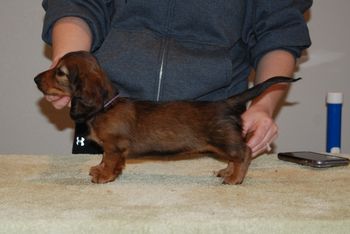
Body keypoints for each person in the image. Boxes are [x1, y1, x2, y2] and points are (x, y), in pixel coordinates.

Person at [40, 0, 312, 156]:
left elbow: (278, 29)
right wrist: (65, 69)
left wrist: (263, 105)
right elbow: (77, 3)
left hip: (206, 123)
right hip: (107, 116)